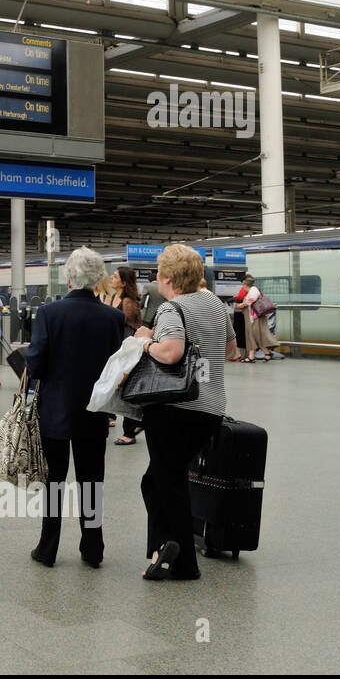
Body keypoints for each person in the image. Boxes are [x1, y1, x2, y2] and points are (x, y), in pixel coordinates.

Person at [134, 244, 236, 581]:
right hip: (210, 407)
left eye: (158, 273)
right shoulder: (216, 304)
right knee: (161, 479)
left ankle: (181, 562)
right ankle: (162, 550)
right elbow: (230, 349)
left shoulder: (171, 309)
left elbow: (172, 352)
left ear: (167, 278)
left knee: (167, 483)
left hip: (174, 408)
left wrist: (145, 341)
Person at [23, 247, 124, 568]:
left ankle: (47, 548)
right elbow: (116, 366)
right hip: (95, 410)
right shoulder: (113, 317)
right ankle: (93, 550)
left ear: (69, 279)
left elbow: (36, 362)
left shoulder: (49, 314)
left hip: (55, 409)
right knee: (92, 480)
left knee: (54, 479)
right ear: (98, 281)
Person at [106, 266, 145, 446]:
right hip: (115, 350)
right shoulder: (114, 297)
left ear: (123, 282)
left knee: (127, 389)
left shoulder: (128, 301)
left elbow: (128, 329)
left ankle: (131, 429)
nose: (111, 278)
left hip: (127, 351)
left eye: (115, 277)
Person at [236, 275, 279, 363]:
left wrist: (241, 305)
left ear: (245, 285)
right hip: (252, 317)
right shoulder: (252, 290)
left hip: (255, 318)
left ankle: (266, 352)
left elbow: (250, 301)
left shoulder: (253, 290)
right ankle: (253, 356)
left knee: (254, 336)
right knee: (252, 337)